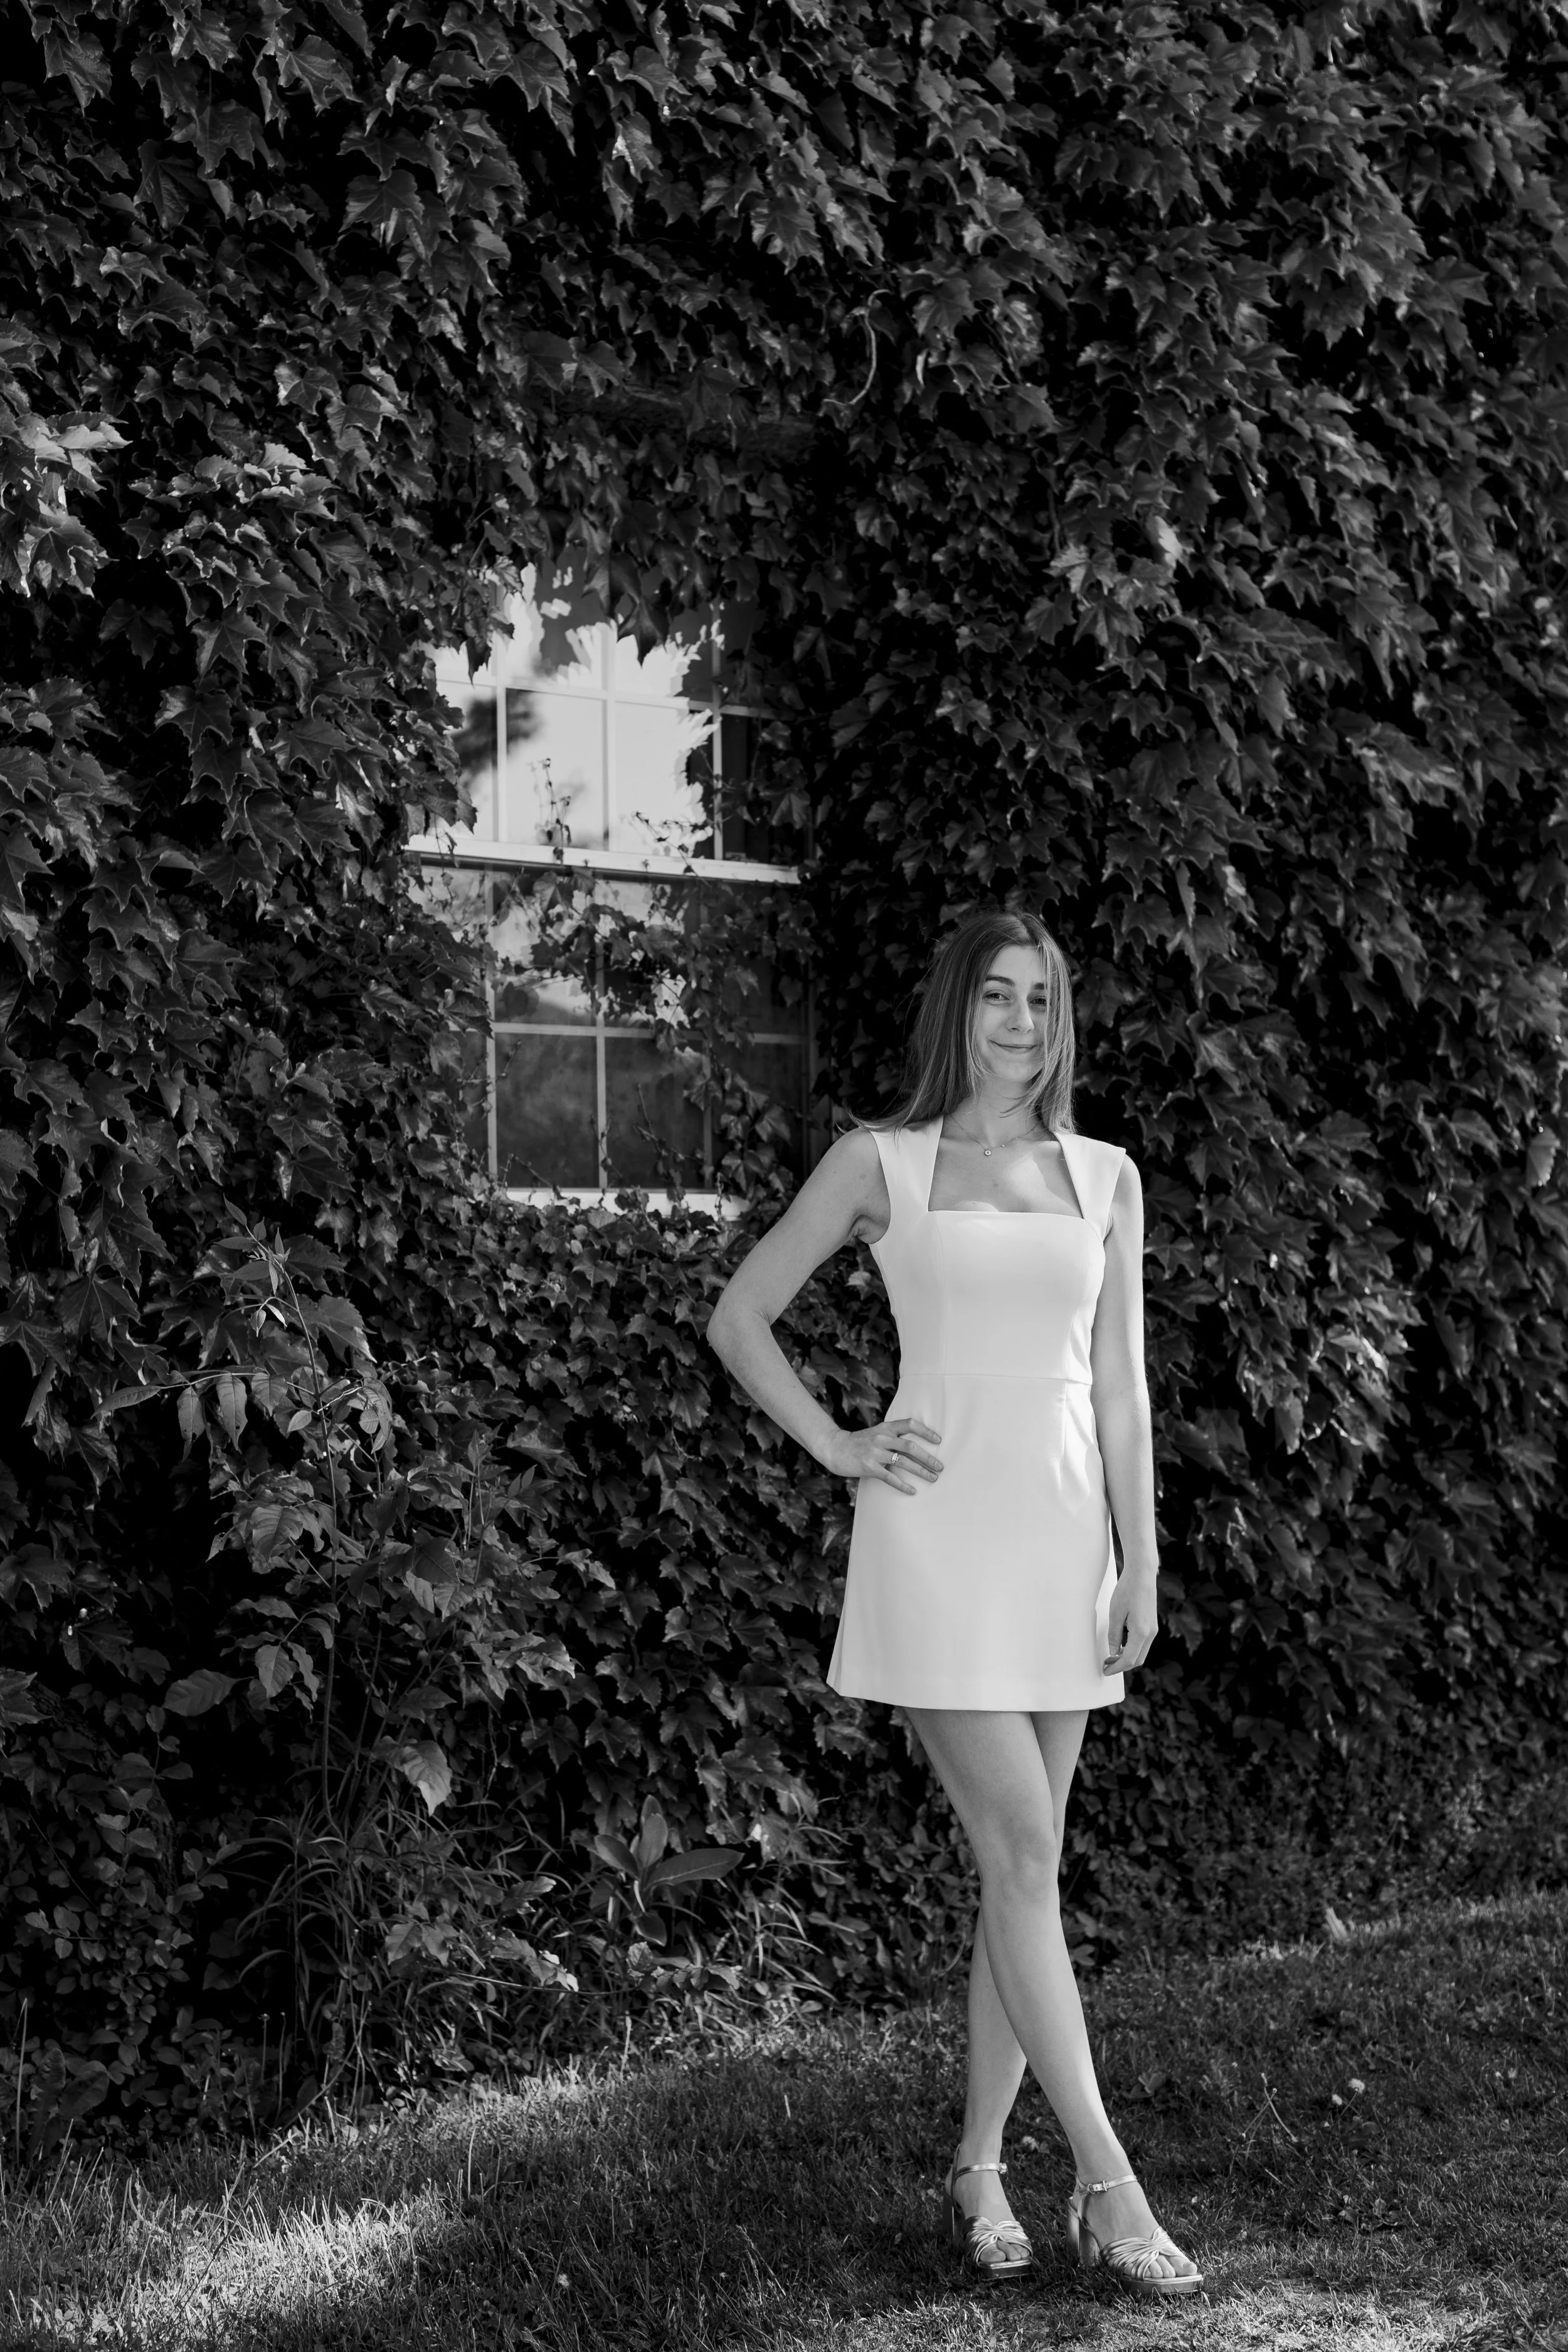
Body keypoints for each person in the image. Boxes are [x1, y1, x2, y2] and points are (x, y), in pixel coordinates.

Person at [706, 906, 1201, 2299]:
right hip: (934, 1541)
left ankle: (979, 2169)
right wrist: (840, 1443)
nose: (1021, 1024)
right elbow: (740, 1315)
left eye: (1041, 1000)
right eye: (997, 996)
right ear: (956, 1010)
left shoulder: (1106, 1176)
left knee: (1018, 1873)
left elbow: (1120, 1387)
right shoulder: (883, 1162)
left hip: (1063, 1547)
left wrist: (1140, 1557)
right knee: (1024, 1850)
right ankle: (1107, 2183)